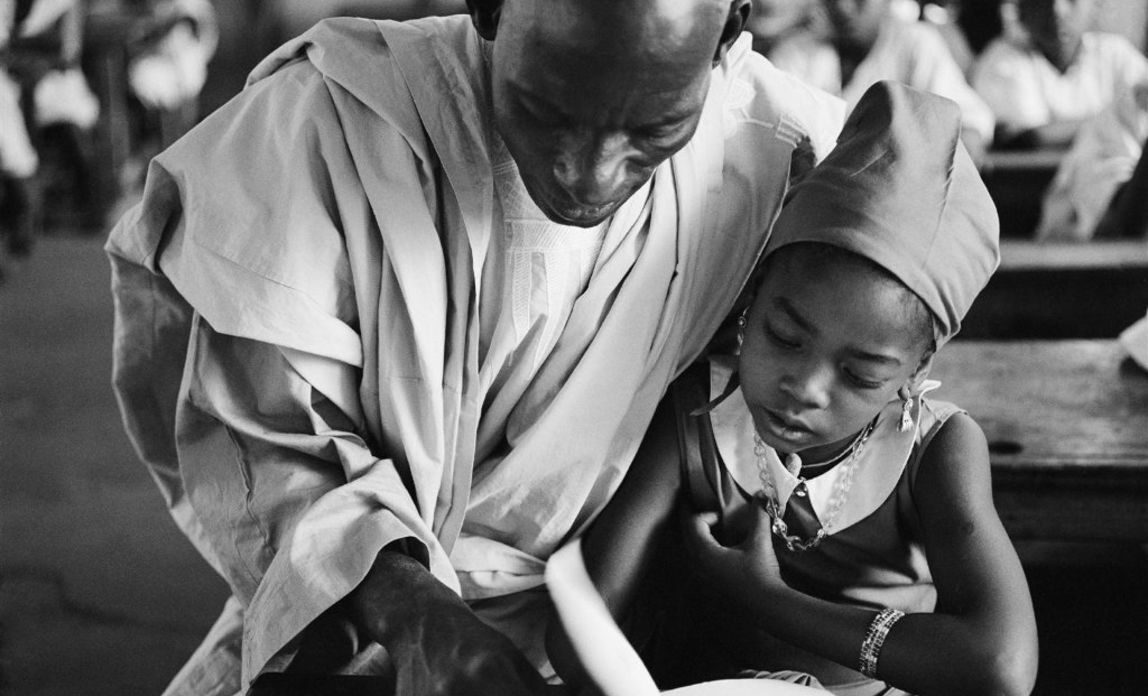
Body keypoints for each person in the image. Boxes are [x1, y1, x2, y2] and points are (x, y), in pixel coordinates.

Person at [105, 0, 847, 694]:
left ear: (728, 35)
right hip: (363, 626)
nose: (586, 177)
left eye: (654, 133)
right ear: (488, 3)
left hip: (617, 634)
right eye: (545, 112)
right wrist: (414, 613)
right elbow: (264, 447)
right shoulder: (328, 127)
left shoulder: (778, 154)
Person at [558, 82, 1039, 696]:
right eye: (785, 337)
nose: (805, 388)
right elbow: (581, 635)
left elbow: (1000, 667)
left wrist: (764, 597)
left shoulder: (935, 449)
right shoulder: (697, 414)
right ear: (751, 301)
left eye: (861, 375)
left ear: (914, 374)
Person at [768, 0, 994, 164]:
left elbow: (968, 119)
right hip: (806, 203)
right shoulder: (795, 53)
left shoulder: (914, 43)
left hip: (891, 203)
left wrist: (964, 143)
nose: (844, 7)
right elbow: (770, 125)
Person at [972, 0, 1148, 150]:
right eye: (1042, 1)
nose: (1057, 10)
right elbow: (1030, 137)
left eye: (1071, 0)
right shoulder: (1004, 61)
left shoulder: (1115, 54)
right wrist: (1120, 120)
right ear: (1021, 9)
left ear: (1095, 6)